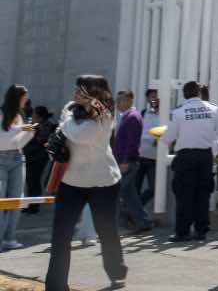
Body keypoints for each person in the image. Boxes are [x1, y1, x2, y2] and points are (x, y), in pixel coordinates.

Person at [45, 75, 127, 291]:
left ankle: (116, 271)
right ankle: (55, 285)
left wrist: (64, 123)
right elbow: (66, 129)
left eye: (81, 89)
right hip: (71, 182)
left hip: (103, 182)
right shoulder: (71, 109)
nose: (75, 93)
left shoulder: (106, 117)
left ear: (93, 93)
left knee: (107, 230)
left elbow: (79, 134)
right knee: (60, 235)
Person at [162, 81, 218, 243]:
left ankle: (182, 232)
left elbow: (168, 138)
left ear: (184, 95)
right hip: (205, 156)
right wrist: (215, 151)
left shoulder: (178, 112)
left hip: (185, 156)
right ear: (199, 92)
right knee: (203, 194)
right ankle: (201, 230)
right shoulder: (213, 109)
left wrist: (161, 137)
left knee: (184, 195)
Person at [112, 91, 153, 234]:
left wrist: (125, 161)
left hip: (127, 162)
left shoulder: (133, 118)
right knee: (130, 195)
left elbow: (132, 142)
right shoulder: (128, 117)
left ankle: (111, 225)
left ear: (129, 101)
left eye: (120, 100)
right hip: (125, 161)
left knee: (116, 193)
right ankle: (143, 222)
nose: (116, 104)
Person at [1, 84, 35, 249]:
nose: (26, 100)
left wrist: (29, 133)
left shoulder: (20, 116)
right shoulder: (2, 114)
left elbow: (17, 142)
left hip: (18, 157)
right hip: (1, 159)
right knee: (1, 202)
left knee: (16, 200)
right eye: (24, 97)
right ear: (16, 97)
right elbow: (2, 140)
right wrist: (21, 128)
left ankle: (9, 238)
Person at [23, 106, 52, 214]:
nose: (32, 117)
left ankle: (34, 206)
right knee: (30, 181)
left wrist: (34, 129)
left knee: (34, 181)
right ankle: (30, 204)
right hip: (31, 156)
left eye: (34, 115)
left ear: (39, 117)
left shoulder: (45, 126)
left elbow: (41, 140)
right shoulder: (38, 125)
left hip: (38, 158)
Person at [135, 89, 160, 207]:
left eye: (156, 96)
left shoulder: (167, 114)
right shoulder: (143, 113)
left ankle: (134, 210)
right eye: (152, 97)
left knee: (154, 188)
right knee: (135, 189)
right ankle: (134, 216)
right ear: (147, 99)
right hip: (140, 156)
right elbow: (138, 132)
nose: (154, 99)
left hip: (155, 158)